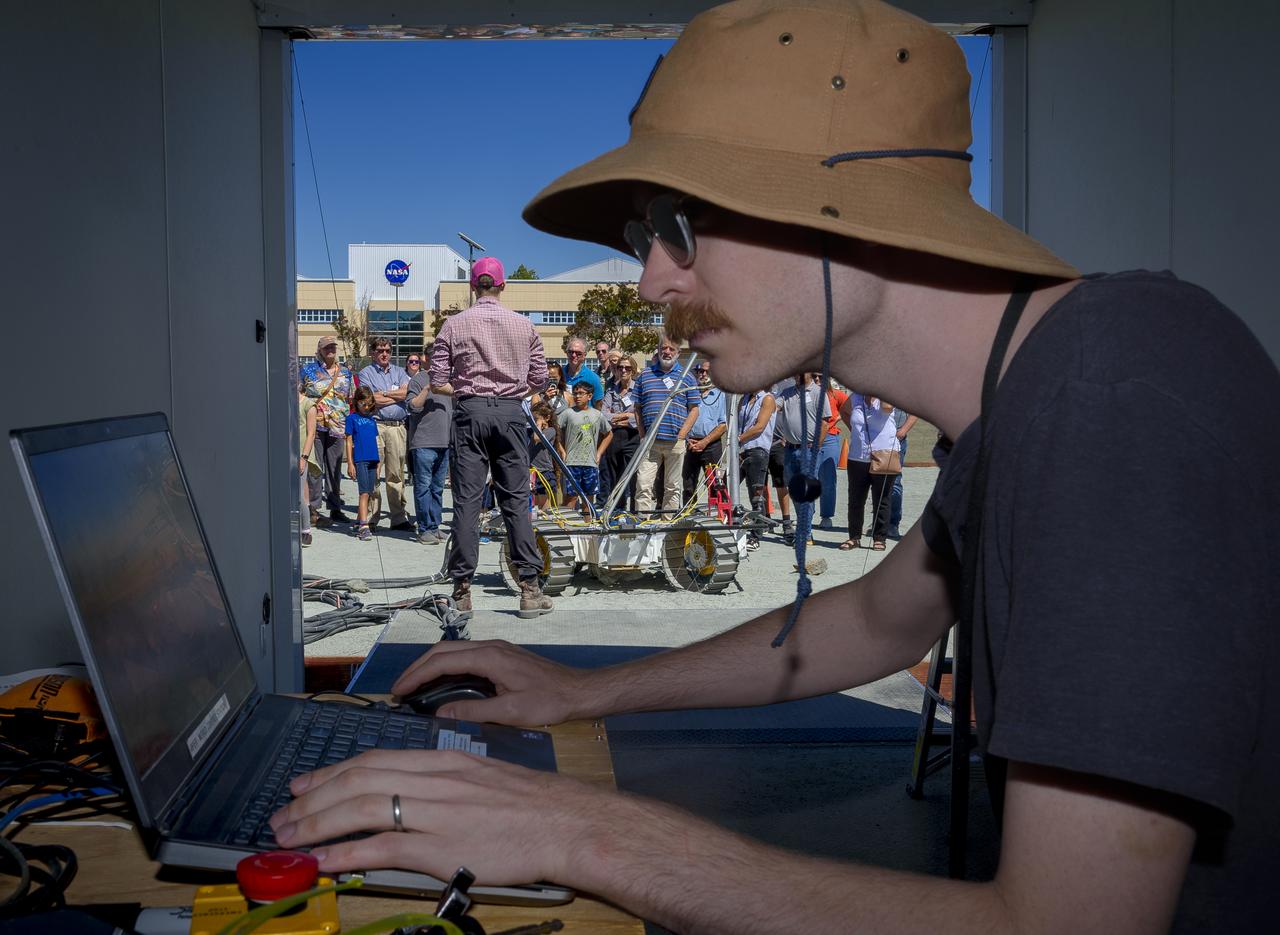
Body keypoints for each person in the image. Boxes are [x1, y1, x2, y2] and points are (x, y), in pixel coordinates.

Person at [269, 2, 1280, 931]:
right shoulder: (1041, 397)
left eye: (679, 224)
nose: (651, 278)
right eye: (644, 234)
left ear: (848, 209)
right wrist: (578, 690)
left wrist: (581, 832)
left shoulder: (1114, 401)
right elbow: (876, 619)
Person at [428, 256, 554, 619]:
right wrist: (509, 393)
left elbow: (437, 381)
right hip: (511, 414)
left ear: (473, 286)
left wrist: (467, 392)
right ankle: (529, 589)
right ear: (502, 286)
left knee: (467, 503)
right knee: (516, 501)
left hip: (470, 413)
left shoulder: (454, 324)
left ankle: (462, 592)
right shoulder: (524, 325)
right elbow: (539, 379)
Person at [632, 333, 700, 514]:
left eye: (671, 349)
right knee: (643, 485)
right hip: (650, 443)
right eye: (664, 348)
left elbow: (694, 409)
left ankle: (668, 522)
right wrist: (642, 435)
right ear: (658, 350)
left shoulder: (687, 377)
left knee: (672, 486)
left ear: (678, 352)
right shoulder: (645, 375)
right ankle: (643, 522)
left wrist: (682, 435)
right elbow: (637, 408)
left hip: (675, 442)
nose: (667, 352)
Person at [358, 336, 412, 531]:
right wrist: (394, 396)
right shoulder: (366, 373)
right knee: (374, 472)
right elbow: (369, 400)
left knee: (396, 474)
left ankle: (398, 517)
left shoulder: (400, 372)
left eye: (388, 350)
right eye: (380, 350)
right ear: (373, 352)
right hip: (375, 426)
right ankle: (372, 517)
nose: (384, 354)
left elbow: (407, 393)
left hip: (397, 427)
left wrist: (384, 394)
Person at [300, 335, 354, 524]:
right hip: (315, 426)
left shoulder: (345, 372)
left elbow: (350, 397)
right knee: (315, 469)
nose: (330, 350)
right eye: (326, 347)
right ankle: (313, 510)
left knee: (335, 468)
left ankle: (335, 508)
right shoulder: (308, 370)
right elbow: (299, 394)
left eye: (333, 347)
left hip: (337, 426)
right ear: (320, 351)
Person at [405, 344, 453, 545]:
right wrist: (427, 389)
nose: (441, 361)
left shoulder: (450, 381)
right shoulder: (418, 380)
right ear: (427, 358)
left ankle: (434, 526)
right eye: (436, 357)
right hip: (423, 443)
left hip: (444, 443)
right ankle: (424, 528)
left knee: (437, 488)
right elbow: (412, 406)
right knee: (423, 487)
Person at [838, 392, 890, 551]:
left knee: (881, 499)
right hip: (858, 455)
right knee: (855, 499)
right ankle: (854, 537)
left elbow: (887, 408)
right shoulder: (856, 397)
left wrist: (878, 391)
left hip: (882, 454)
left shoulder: (886, 396)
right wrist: (854, 429)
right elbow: (843, 411)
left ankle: (879, 537)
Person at [556, 382, 612, 515]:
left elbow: (609, 434)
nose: (577, 396)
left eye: (581, 393)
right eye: (575, 393)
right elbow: (556, 432)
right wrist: (562, 451)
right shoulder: (567, 413)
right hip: (571, 462)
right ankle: (569, 525)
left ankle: (588, 524)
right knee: (571, 498)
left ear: (589, 396)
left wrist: (599, 453)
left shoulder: (597, 415)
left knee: (588, 499)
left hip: (590, 462)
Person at [681, 361, 727, 509]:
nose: (703, 374)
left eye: (707, 371)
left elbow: (723, 425)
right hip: (690, 444)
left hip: (712, 445)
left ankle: (718, 514)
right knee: (688, 484)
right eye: (700, 371)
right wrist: (687, 438)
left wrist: (704, 442)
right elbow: (682, 419)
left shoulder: (720, 395)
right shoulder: (690, 393)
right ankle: (688, 513)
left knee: (716, 484)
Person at [737, 386, 776, 551]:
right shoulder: (744, 399)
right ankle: (734, 523)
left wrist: (739, 438)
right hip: (741, 450)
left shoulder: (767, 399)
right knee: (725, 485)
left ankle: (756, 536)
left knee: (756, 494)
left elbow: (759, 426)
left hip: (757, 450)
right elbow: (739, 423)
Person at [600, 354, 641, 513]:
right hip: (614, 437)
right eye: (620, 367)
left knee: (633, 476)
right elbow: (604, 414)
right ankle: (618, 510)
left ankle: (634, 512)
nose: (623, 370)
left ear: (633, 370)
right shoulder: (611, 391)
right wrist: (626, 416)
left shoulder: (638, 389)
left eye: (627, 368)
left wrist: (625, 418)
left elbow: (640, 416)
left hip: (633, 436)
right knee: (615, 476)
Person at [343, 386, 379, 543]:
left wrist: (378, 462)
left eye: (369, 403)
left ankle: (359, 521)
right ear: (356, 402)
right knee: (363, 493)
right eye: (363, 403)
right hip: (360, 459)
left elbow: (375, 441)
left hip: (373, 459)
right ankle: (364, 526)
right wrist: (350, 463)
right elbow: (348, 441)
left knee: (369, 492)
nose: (366, 407)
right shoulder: (352, 419)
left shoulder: (372, 419)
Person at [886, 407, 918, 540]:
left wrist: (903, 431)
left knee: (894, 481)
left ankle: (893, 523)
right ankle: (880, 521)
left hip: (897, 439)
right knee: (877, 481)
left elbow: (915, 410)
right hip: (876, 439)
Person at [297, 384, 320, 548]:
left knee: (299, 495)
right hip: (285, 452)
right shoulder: (284, 403)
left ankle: (306, 530)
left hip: (301, 454)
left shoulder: (308, 405)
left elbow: (311, 433)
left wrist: (304, 457)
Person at [528, 402, 558, 511]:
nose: (534, 422)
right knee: (534, 502)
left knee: (543, 502)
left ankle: (545, 518)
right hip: (533, 471)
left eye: (536, 419)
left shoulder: (550, 431)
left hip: (544, 471)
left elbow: (537, 438)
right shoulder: (535, 431)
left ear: (547, 418)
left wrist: (539, 424)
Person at [561, 336, 604, 408]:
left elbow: (599, 406)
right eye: (571, 352)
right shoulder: (559, 375)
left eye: (578, 353)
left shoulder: (593, 378)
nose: (574, 355)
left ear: (584, 355)